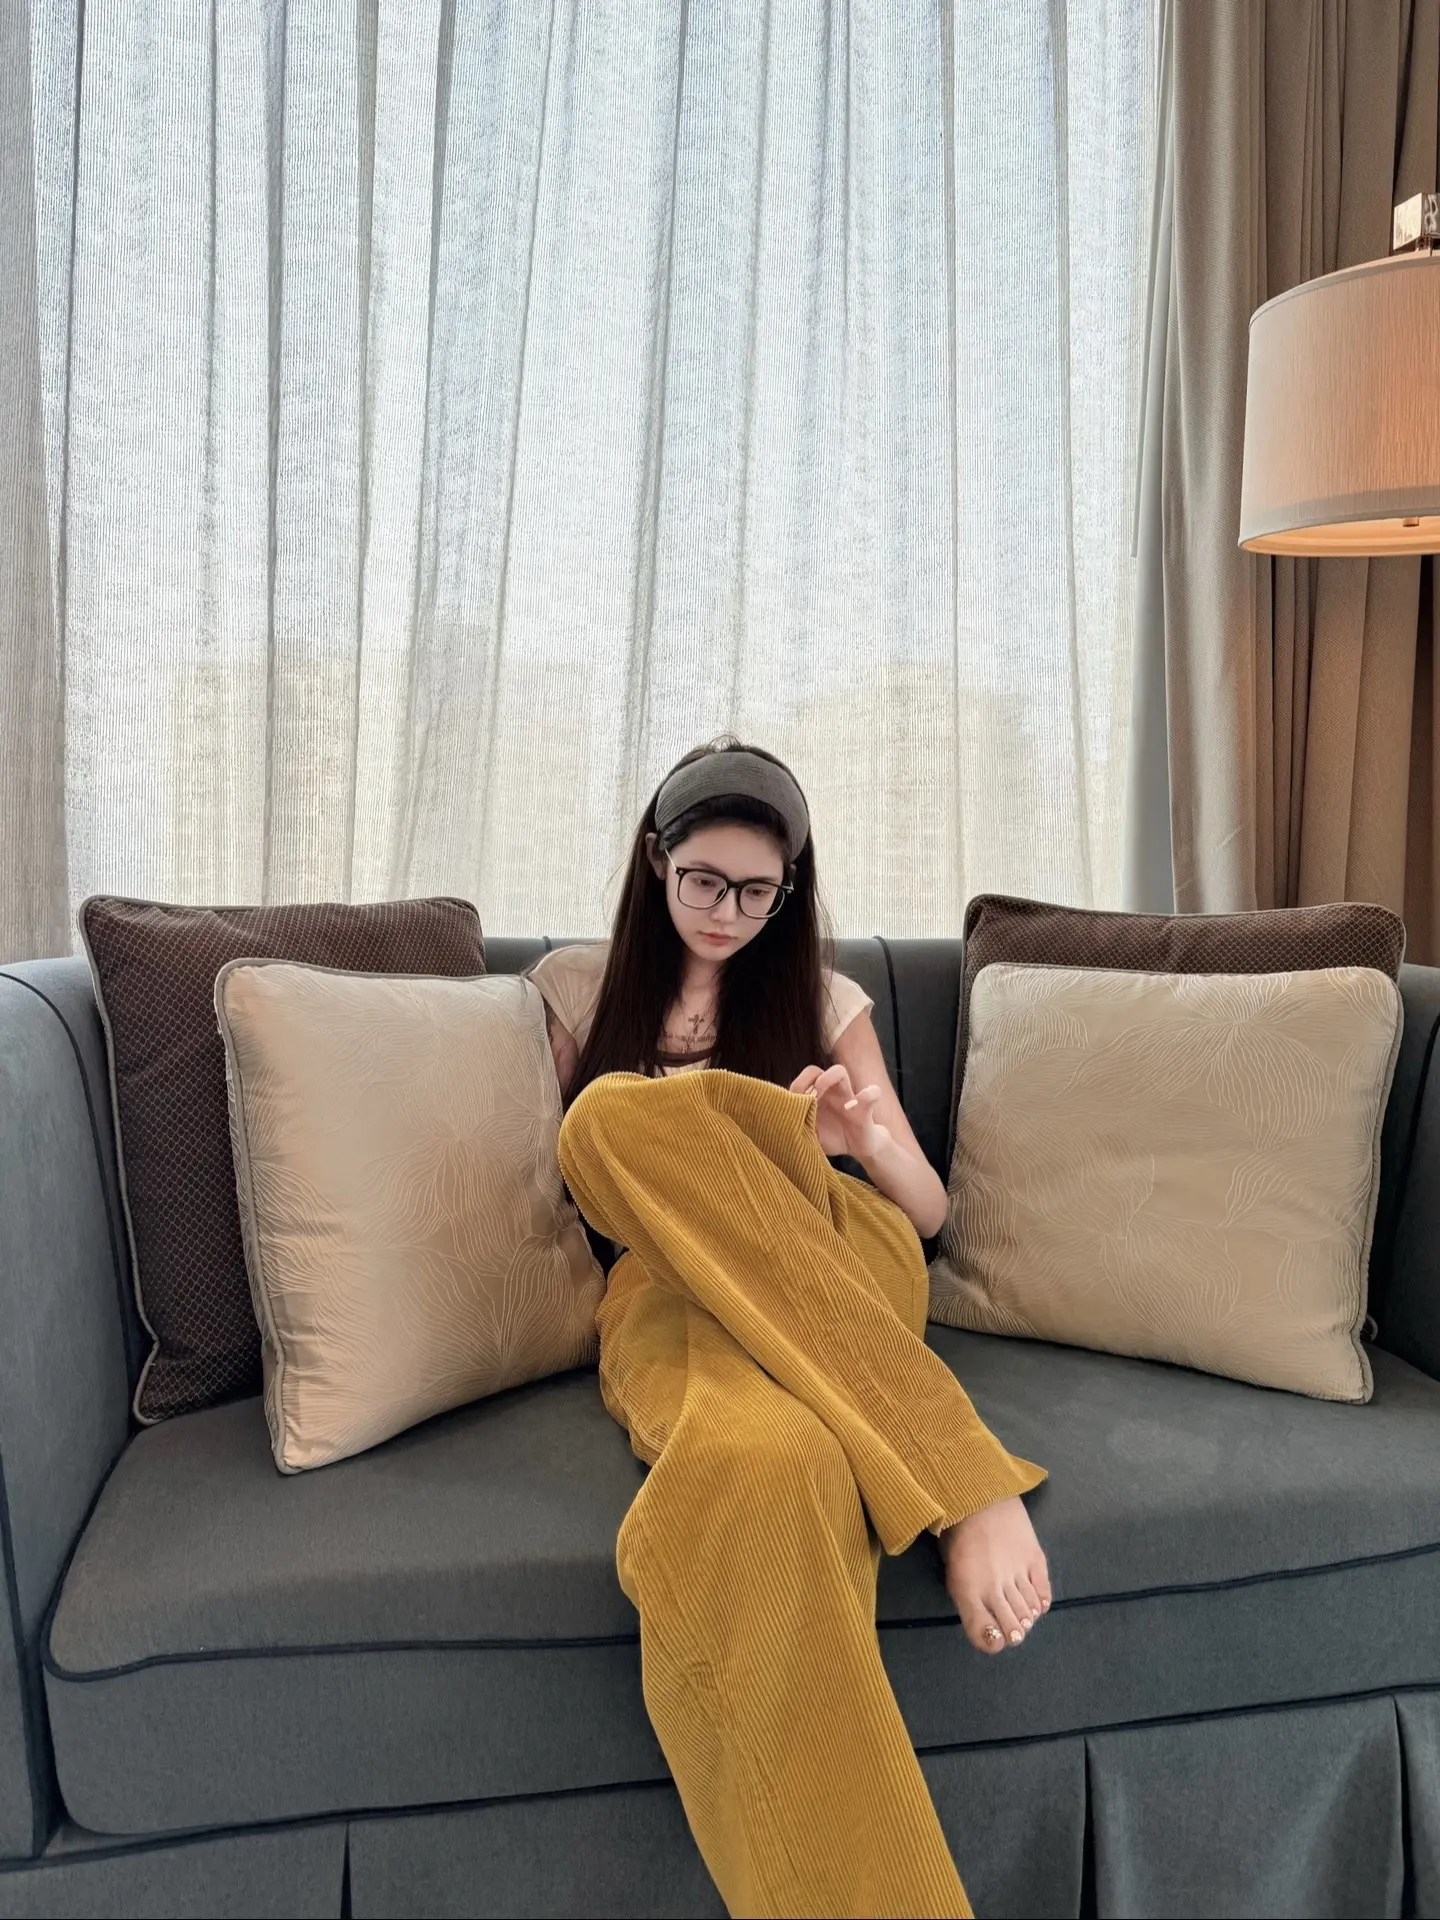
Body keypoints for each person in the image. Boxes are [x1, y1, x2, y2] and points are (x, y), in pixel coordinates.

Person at [525, 736, 1050, 1920]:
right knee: (762, 1462)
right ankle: (950, 1467)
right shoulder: (575, 989)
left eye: (757, 892)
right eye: (704, 882)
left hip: (836, 1252)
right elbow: (553, 1186)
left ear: (790, 890)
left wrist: (848, 1141)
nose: (727, 912)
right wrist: (741, 1133)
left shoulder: (823, 998)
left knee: (634, 1125)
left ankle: (960, 1476)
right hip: (673, 1284)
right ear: (655, 863)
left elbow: (927, 1212)